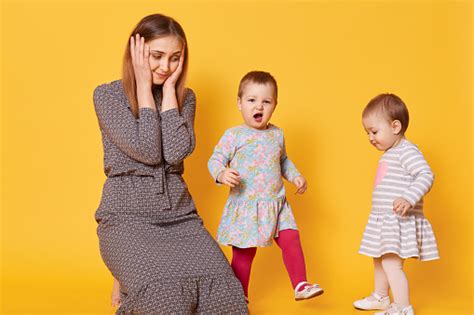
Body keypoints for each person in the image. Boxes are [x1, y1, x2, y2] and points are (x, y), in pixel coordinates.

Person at [93, 13, 248, 314]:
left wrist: (168, 96)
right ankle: (131, 280)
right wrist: (141, 86)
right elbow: (149, 151)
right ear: (136, 53)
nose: (166, 67)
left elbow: (175, 153)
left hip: (180, 217)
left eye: (175, 58)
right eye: (157, 56)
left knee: (229, 300)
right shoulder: (107, 95)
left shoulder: (184, 98)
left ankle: (133, 281)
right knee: (165, 302)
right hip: (126, 218)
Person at [208, 71, 324, 303]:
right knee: (244, 254)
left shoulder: (277, 134)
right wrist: (221, 174)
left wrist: (296, 176)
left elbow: (283, 161)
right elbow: (215, 159)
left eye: (266, 101)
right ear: (239, 103)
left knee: (291, 238)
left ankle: (300, 284)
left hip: (277, 203)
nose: (258, 106)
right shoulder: (235, 135)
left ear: (274, 105)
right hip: (247, 206)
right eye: (251, 100)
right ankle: (238, 297)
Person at [354, 93, 440, 315]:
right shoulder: (391, 152)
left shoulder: (407, 151)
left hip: (398, 221)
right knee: (379, 259)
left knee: (392, 264)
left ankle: (402, 307)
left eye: (374, 131)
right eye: (367, 133)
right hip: (385, 220)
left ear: (395, 126)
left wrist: (409, 198)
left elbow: (426, 174)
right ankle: (381, 297)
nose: (370, 137)